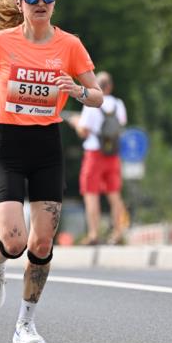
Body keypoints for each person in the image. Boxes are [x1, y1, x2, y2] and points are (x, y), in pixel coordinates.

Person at [0, 0, 103, 343]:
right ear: (20, 3)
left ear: (54, 2)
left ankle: (25, 325)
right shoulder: (1, 42)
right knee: (15, 239)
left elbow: (97, 96)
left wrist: (75, 89)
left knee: (41, 245)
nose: (40, 3)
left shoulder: (70, 45)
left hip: (46, 145)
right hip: (8, 144)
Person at [69, 71, 127, 245]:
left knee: (91, 193)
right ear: (110, 86)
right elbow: (121, 124)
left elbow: (84, 131)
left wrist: (75, 122)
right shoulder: (118, 104)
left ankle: (94, 234)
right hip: (113, 154)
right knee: (114, 194)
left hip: (94, 153)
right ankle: (118, 233)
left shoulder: (91, 103)